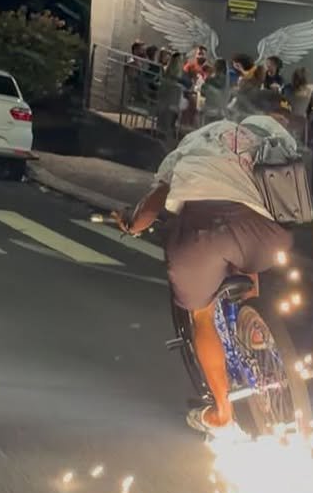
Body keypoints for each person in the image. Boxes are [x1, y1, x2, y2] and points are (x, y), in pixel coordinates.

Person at [117, 91, 297, 434]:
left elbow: (152, 206)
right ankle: (254, 323)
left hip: (205, 230)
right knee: (248, 260)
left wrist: (130, 223)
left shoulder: (195, 142)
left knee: (202, 314)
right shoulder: (264, 140)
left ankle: (221, 413)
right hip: (266, 233)